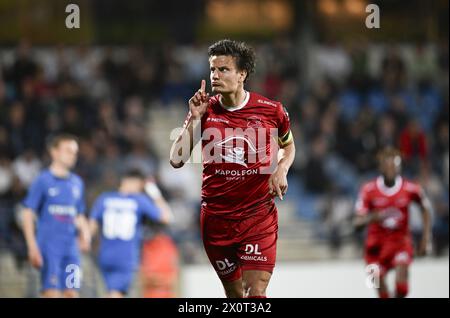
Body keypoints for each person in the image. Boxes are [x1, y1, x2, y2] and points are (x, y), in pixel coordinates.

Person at [169, 39, 295, 298]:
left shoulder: (272, 111)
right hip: (216, 220)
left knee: (255, 292)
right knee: (235, 296)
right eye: (213, 69)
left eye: (223, 69)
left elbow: (289, 146)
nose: (215, 75)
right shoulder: (205, 110)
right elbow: (177, 159)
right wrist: (194, 118)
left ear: (242, 74)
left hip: (257, 215)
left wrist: (281, 168)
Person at [353, 147, 432, 298]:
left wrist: (426, 239)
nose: (391, 169)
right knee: (377, 287)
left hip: (400, 242)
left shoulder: (410, 188)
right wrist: (372, 217)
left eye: (394, 166)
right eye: (387, 166)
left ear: (400, 167)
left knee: (402, 288)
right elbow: (356, 223)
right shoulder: (368, 190)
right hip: (374, 247)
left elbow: (425, 208)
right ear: (380, 167)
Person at [22, 133, 91, 298]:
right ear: (54, 152)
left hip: (71, 248)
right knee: (51, 293)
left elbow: (79, 213)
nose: (73, 155)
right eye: (68, 150)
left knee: (72, 293)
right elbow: (27, 212)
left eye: (75, 151)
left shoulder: (77, 183)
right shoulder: (43, 180)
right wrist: (32, 246)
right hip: (49, 246)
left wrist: (85, 234)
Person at [89, 169, 172, 298]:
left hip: (105, 255)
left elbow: (91, 226)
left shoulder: (104, 198)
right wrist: (155, 193)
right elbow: (166, 217)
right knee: (115, 294)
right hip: (125, 256)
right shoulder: (138, 200)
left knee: (109, 292)